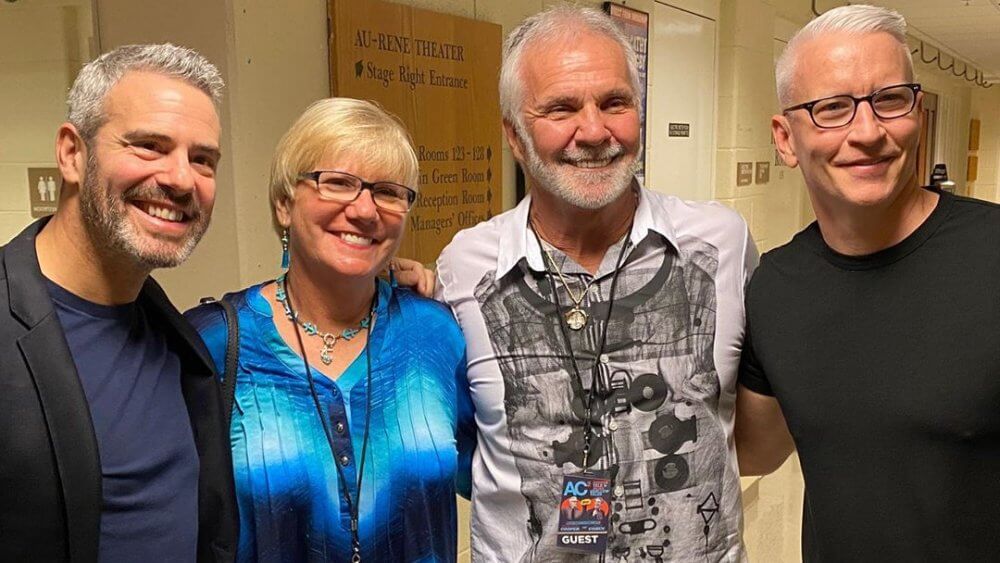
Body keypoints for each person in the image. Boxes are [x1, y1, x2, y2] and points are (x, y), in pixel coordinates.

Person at [436, 6, 757, 561]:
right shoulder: (466, 268)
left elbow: (755, 434)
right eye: (561, 108)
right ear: (514, 135)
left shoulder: (720, 246)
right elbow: (465, 444)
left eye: (614, 103)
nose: (594, 131)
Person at [735, 4, 1000, 561]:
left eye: (890, 100)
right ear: (785, 139)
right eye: (832, 108)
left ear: (918, 112)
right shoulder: (774, 288)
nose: (868, 132)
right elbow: (753, 452)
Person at [185, 98, 475, 562]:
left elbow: (497, 473)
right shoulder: (214, 343)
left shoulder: (434, 333)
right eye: (337, 183)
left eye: (388, 192)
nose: (364, 210)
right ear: (284, 204)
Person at [0, 44, 237, 561]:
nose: (180, 179)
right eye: (149, 146)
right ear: (72, 154)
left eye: (202, 159)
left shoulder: (177, 339)